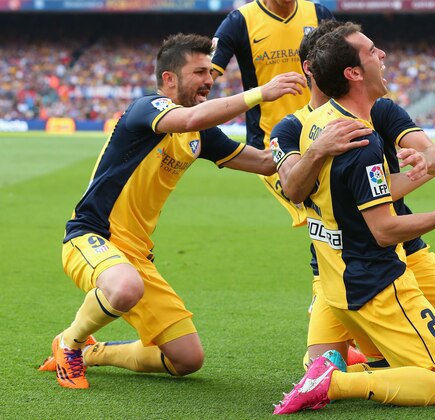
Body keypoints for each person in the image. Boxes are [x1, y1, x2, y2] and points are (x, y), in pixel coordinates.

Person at [38, 33, 306, 389]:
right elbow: (188, 119)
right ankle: (69, 343)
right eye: (198, 72)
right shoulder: (145, 108)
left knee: (185, 359)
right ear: (169, 79)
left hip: (137, 257)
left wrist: (316, 144)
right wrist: (260, 93)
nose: (209, 79)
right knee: (124, 286)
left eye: (210, 72)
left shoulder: (200, 133)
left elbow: (262, 162)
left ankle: (92, 352)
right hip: (91, 237)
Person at [273, 22, 435, 414]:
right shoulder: (352, 138)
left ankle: (348, 367)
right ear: (350, 72)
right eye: (372, 51)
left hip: (343, 275)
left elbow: (374, 187)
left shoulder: (332, 124)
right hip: (375, 276)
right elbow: (383, 228)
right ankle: (334, 383)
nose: (382, 55)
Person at [210, 0, 334, 227]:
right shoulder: (239, 21)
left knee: (342, 215)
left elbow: (343, 67)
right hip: (272, 146)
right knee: (323, 217)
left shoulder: (318, 14)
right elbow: (205, 75)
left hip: (324, 131)